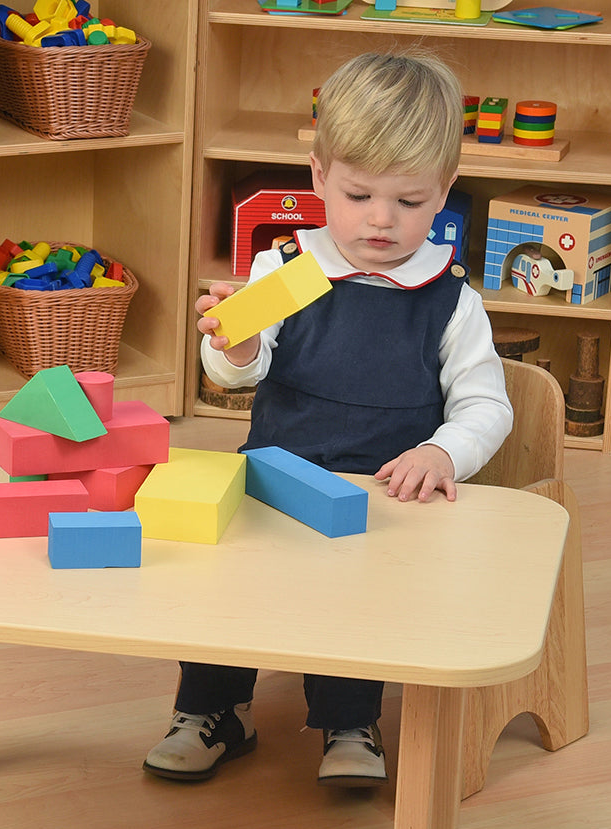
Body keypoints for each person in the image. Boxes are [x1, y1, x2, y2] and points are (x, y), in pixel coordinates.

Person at [143, 50, 513, 787]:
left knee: (359, 600)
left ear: (443, 193)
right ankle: (214, 709)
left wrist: (443, 454)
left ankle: (350, 722)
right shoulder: (287, 269)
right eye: (358, 195)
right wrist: (238, 344)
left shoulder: (449, 296)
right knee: (226, 581)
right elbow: (230, 375)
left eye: (409, 202)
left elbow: (486, 405)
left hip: (383, 494)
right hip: (272, 479)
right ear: (318, 177)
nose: (380, 220)